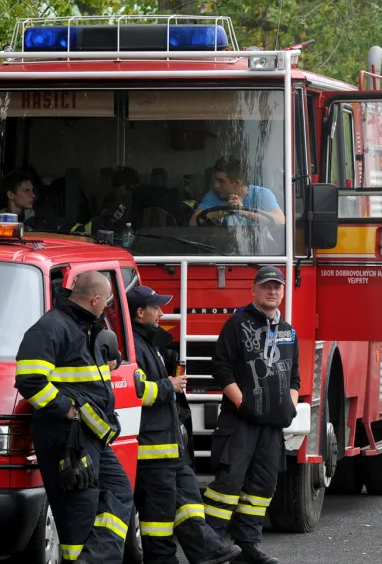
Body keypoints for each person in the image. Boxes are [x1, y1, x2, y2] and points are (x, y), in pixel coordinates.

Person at [13, 271, 133, 564]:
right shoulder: (51, 328)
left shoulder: (84, 327)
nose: (106, 308)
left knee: (119, 491)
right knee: (78, 515)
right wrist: (66, 409)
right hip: (66, 439)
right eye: (105, 302)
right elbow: (29, 380)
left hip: (93, 436)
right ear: (94, 299)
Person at [126, 285, 242, 564]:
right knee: (158, 516)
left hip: (170, 445)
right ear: (140, 313)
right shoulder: (133, 346)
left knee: (189, 499)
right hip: (152, 449)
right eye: (156, 308)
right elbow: (135, 392)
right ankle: (164, 560)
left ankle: (205, 549)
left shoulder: (149, 344)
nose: (162, 313)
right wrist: (169, 385)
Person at [204, 266, 300, 564]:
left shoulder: (288, 330)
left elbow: (294, 375)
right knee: (229, 483)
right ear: (254, 290)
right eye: (267, 286)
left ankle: (248, 546)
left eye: (277, 287)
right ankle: (211, 545)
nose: (273, 291)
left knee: (262, 486)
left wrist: (290, 405)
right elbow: (220, 366)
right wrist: (242, 402)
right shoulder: (237, 324)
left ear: (283, 292)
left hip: (272, 425)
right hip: (240, 421)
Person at [190, 157, 285, 226]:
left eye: (221, 181)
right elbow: (192, 222)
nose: (216, 185)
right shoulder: (213, 195)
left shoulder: (262, 194)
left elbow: (281, 220)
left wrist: (243, 211)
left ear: (237, 183)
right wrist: (222, 211)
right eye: (216, 180)